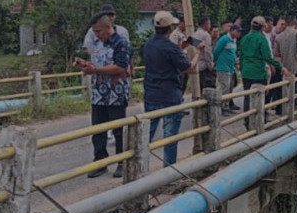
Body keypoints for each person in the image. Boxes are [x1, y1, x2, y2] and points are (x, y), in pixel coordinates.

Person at [74, 11, 132, 178]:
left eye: (98, 31)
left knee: (118, 130)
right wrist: (85, 65)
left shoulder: (121, 43)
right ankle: (100, 161)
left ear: (108, 27)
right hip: (99, 93)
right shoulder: (97, 44)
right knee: (98, 130)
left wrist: (96, 70)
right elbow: (97, 64)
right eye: (94, 32)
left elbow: (120, 67)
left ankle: (122, 162)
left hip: (116, 93)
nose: (96, 34)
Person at [143, 11, 204, 166]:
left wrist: (181, 47)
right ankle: (168, 171)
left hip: (151, 93)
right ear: (170, 28)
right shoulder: (170, 48)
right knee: (170, 137)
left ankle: (139, 169)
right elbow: (189, 67)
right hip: (170, 95)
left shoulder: (148, 44)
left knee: (146, 135)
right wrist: (198, 52)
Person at [239, 16, 289, 128]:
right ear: (262, 27)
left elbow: (241, 57)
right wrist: (280, 67)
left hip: (246, 72)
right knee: (260, 97)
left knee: (247, 97)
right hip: (258, 72)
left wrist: (242, 70)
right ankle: (258, 121)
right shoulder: (262, 39)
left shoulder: (244, 39)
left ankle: (247, 122)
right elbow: (268, 57)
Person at [213, 22, 242, 115]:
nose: (239, 34)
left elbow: (233, 53)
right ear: (232, 31)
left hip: (231, 68)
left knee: (229, 89)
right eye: (238, 31)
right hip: (223, 67)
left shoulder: (234, 41)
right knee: (224, 87)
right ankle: (220, 107)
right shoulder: (224, 39)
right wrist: (215, 61)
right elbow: (216, 51)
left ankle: (226, 106)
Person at [193, 15, 216, 91]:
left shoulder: (195, 34)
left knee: (199, 89)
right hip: (204, 66)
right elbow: (207, 52)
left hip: (196, 65)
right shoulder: (206, 35)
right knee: (209, 90)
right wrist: (210, 65)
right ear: (205, 24)